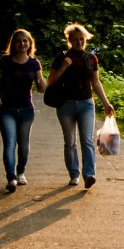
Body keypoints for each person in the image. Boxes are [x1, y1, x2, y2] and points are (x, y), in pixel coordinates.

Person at [48, 23, 114, 189]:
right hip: (65, 104)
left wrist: (106, 103)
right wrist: (64, 66)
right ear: (69, 40)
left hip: (86, 103)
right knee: (70, 141)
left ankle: (89, 174)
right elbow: (51, 80)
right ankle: (74, 174)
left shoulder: (91, 58)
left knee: (87, 141)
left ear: (85, 40)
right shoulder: (61, 57)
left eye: (82, 40)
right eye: (76, 40)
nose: (79, 43)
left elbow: (96, 82)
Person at [0, 29, 46, 193]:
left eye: (25, 41)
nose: (22, 44)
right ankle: (11, 177)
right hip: (6, 109)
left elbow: (41, 86)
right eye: (19, 41)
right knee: (9, 143)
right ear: (13, 43)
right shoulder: (5, 61)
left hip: (26, 109)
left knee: (24, 144)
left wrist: (44, 83)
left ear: (30, 43)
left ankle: (21, 171)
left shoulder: (34, 63)